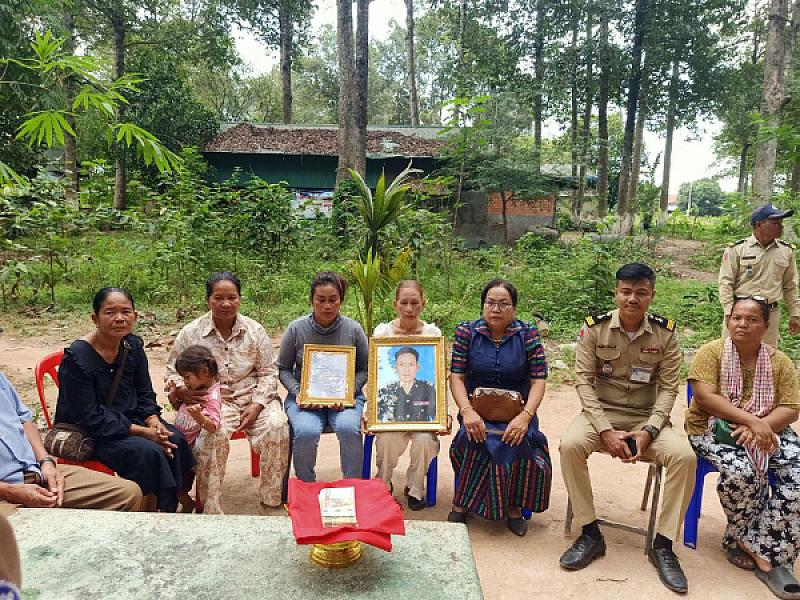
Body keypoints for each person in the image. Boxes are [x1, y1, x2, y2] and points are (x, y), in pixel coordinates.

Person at [560, 263, 696, 594]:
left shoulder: (666, 333)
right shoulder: (595, 328)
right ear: (616, 292)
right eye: (626, 291)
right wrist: (605, 430)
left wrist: (649, 431)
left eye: (640, 292)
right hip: (601, 414)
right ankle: (590, 532)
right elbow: (584, 382)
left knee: (685, 458)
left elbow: (668, 389)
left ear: (651, 295)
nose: (632, 299)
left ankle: (663, 544)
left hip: (647, 418)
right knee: (569, 445)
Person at [687, 295, 800, 599]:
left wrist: (762, 426)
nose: (742, 324)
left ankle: (754, 542)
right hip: (713, 429)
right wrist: (753, 422)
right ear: (728, 321)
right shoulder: (710, 353)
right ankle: (766, 555)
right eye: (737, 317)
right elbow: (706, 398)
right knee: (743, 472)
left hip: (769, 428)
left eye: (752, 319)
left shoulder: (779, 361)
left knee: (798, 472)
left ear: (765, 326)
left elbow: (791, 407)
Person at [55, 288, 194, 512]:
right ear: (95, 318)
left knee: (175, 438)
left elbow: (145, 391)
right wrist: (144, 433)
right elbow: (88, 415)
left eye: (125, 312)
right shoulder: (77, 359)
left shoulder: (132, 346)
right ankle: (148, 509)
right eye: (110, 312)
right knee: (149, 452)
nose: (119, 318)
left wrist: (152, 420)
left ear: (135, 316)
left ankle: (174, 498)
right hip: (95, 431)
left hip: (133, 419)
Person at [165, 272, 289, 510]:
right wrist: (182, 390)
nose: (225, 304)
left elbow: (269, 372)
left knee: (277, 426)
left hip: (255, 397)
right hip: (215, 401)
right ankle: (210, 505)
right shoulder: (191, 333)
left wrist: (257, 405)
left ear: (239, 299)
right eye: (218, 298)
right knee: (214, 434)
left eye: (232, 297)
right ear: (208, 299)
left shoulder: (255, 331)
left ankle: (272, 499)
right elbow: (171, 371)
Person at [448, 278, 551, 537]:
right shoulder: (466, 333)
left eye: (503, 304)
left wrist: (526, 417)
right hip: (476, 410)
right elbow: (456, 377)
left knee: (519, 438)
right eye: (490, 303)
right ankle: (462, 502)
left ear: (513, 309)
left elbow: (539, 380)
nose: (496, 309)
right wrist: (466, 411)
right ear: (482, 306)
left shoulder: (527, 335)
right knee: (469, 435)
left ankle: (512, 505)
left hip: (518, 411)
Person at [0, 370, 141, 512]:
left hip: (34, 470)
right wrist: (9, 491)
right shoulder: (78, 360)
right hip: (5, 490)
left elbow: (24, 420)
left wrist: (45, 461)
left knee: (129, 494)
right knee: (16, 530)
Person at [367, 280, 450, 511]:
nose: (409, 308)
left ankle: (415, 487)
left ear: (423, 303)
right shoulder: (383, 332)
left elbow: (439, 377)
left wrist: (444, 414)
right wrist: (370, 413)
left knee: (425, 440)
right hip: (391, 412)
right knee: (386, 439)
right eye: (404, 303)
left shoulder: (432, 334)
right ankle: (382, 486)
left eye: (415, 302)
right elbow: (376, 376)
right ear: (395, 304)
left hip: (424, 413)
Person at [279, 272, 368, 482]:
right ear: (311, 300)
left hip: (345, 401)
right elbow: (283, 369)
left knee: (349, 428)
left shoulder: (353, 330)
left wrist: (349, 391)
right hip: (304, 400)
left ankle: (352, 486)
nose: (327, 306)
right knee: (306, 431)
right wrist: (298, 392)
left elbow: (365, 369)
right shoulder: (296, 329)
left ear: (341, 301)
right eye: (321, 300)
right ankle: (306, 486)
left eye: (332, 300)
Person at [719, 202, 800, 347]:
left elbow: (790, 286)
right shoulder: (737, 250)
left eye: (781, 223)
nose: (781, 227)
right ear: (759, 224)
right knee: (731, 356)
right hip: (740, 313)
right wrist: (728, 312)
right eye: (775, 223)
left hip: (769, 314)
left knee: (767, 357)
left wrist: (795, 313)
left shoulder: (786, 251)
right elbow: (725, 283)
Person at [172, 345, 222, 512]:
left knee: (179, 483)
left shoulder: (211, 396)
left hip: (187, 451)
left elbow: (214, 426)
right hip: (177, 439)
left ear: (204, 372)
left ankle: (187, 503)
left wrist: (200, 418)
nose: (185, 382)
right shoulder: (194, 388)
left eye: (187, 377)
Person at [376, 347, 436, 422]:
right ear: (396, 368)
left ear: (417, 367)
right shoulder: (385, 392)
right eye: (401, 365)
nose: (406, 370)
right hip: (393, 432)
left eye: (411, 365)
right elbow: (378, 418)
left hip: (421, 432)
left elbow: (436, 416)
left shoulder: (428, 389)